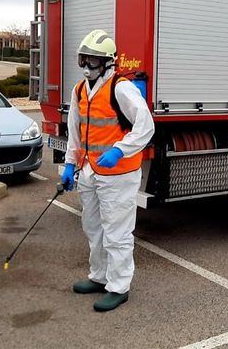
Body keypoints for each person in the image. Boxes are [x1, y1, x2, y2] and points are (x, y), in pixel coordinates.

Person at [62, 29, 154, 312]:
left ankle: (119, 286)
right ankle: (99, 276)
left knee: (117, 232)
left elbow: (146, 125)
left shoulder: (120, 87)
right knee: (93, 228)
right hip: (90, 170)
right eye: (83, 60)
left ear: (107, 62)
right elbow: (75, 133)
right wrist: (69, 164)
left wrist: (119, 150)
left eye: (92, 61)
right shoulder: (80, 90)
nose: (86, 66)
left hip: (119, 174)